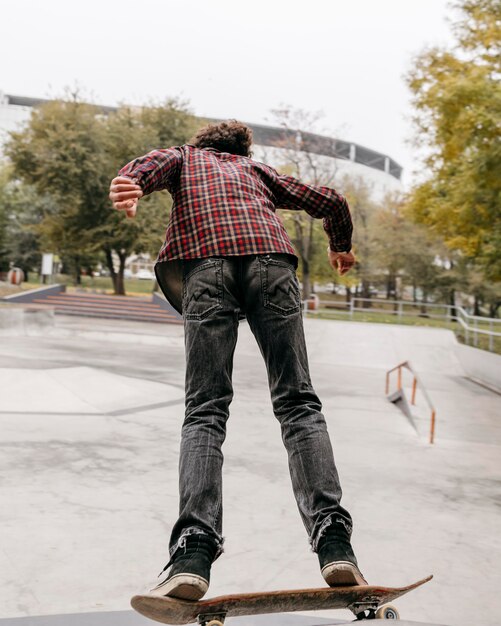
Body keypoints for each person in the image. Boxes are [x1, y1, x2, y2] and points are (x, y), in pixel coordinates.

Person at [109, 120, 366, 601]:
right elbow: (330, 200)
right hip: (271, 263)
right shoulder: (260, 171)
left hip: (205, 266)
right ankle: (334, 540)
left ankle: (194, 549)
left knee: (205, 410)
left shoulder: (185, 157)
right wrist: (340, 247)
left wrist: (130, 183)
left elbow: (148, 166)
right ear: (242, 150)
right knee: (298, 403)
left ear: (202, 144)